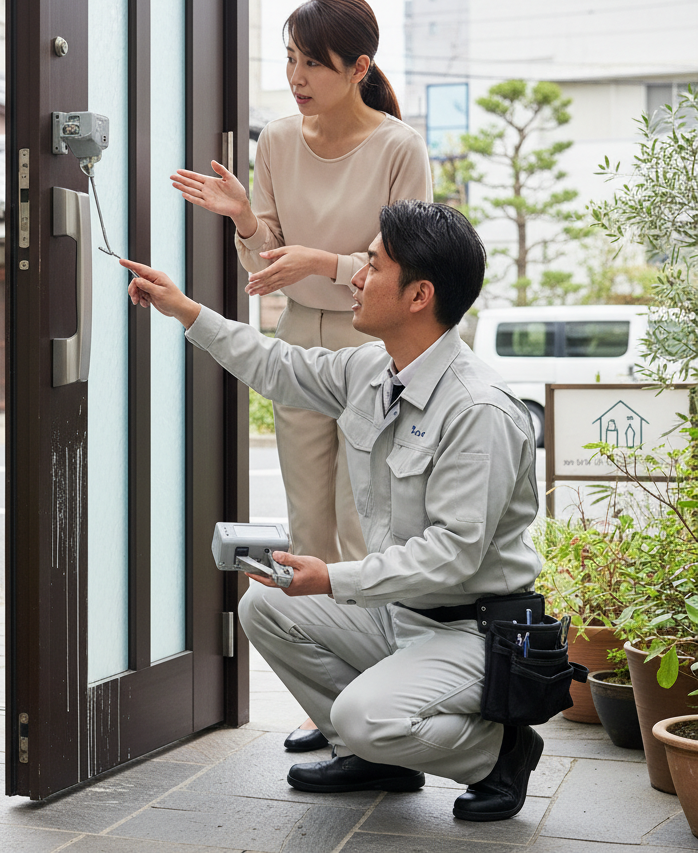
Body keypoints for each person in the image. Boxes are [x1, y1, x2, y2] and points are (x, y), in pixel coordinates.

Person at [120, 200, 544, 822]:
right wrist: (184, 309)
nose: (355, 277)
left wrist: (333, 578)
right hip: (401, 614)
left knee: (363, 713)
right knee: (265, 605)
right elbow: (277, 366)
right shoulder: (376, 368)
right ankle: (377, 758)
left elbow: (454, 555)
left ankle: (499, 751)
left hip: (471, 630)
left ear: (419, 295)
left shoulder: (478, 411)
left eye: (372, 266)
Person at [172, 0, 432, 753]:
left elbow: (411, 268)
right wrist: (248, 223)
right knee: (309, 521)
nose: (296, 76)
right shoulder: (278, 142)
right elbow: (267, 269)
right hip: (299, 341)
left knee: (366, 523)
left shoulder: (397, 148)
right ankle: (333, 706)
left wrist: (328, 261)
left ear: (359, 68)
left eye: (313, 63)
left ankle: (379, 699)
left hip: (376, 347)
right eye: (289, 58)